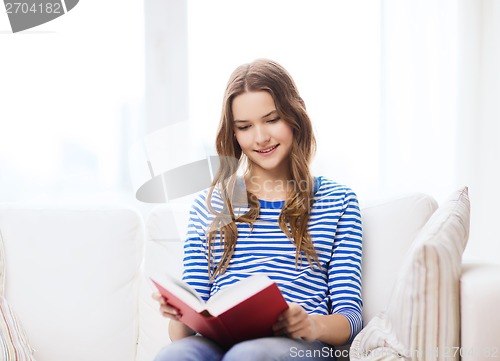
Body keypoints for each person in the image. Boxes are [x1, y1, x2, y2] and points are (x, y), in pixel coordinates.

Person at [152, 59, 363, 361]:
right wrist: (178, 313)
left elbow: (351, 318)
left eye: (272, 119)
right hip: (218, 343)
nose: (261, 137)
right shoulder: (212, 205)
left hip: (298, 346)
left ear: (294, 118)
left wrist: (311, 325)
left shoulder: (337, 201)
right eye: (245, 127)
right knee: (174, 356)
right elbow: (181, 334)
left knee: (247, 355)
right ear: (234, 134)